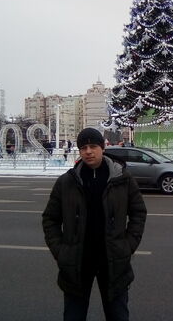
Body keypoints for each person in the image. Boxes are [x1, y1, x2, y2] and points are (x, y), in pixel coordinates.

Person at [42, 127, 147, 321]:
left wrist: (127, 246)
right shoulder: (66, 182)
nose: (88, 151)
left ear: (102, 148)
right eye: (83, 148)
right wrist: (61, 251)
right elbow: (50, 219)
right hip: (77, 261)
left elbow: (138, 213)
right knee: (73, 315)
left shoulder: (122, 179)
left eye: (93, 146)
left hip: (113, 260)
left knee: (118, 315)